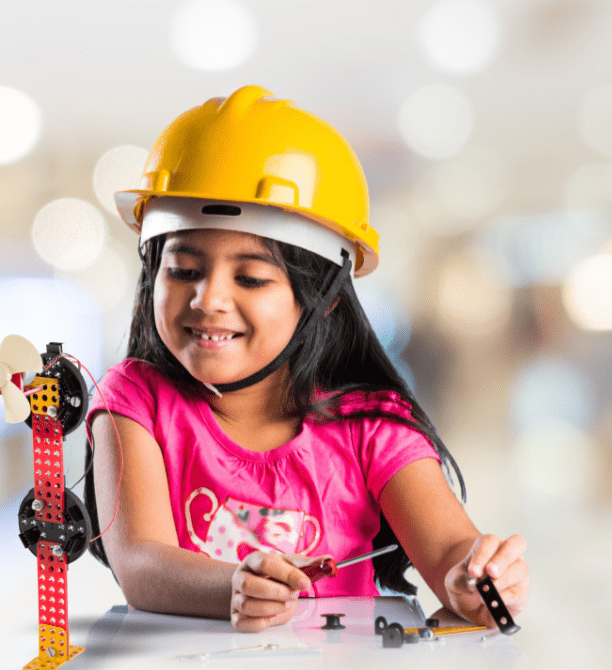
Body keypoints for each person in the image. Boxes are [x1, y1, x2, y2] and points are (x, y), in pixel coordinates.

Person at [83, 85, 529, 633]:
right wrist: (234, 587)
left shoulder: (370, 426)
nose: (208, 299)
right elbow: (140, 563)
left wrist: (476, 580)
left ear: (324, 297)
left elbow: (449, 554)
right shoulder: (135, 399)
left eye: (250, 277)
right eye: (182, 270)